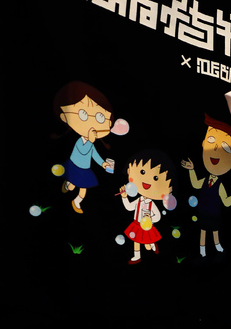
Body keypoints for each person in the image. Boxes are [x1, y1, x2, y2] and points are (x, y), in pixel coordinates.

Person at [54, 81, 126, 213]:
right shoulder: (79, 141)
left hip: (85, 169)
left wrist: (103, 164)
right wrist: (90, 141)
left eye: (100, 117)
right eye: (83, 114)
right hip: (74, 166)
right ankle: (68, 185)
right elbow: (83, 150)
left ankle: (77, 202)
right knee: (72, 185)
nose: (92, 124)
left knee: (83, 189)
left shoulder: (91, 144)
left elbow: (95, 155)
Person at [181, 115, 231, 256]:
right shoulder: (204, 180)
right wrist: (191, 170)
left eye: (226, 148)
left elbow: (225, 201)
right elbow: (195, 184)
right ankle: (202, 249)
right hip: (203, 210)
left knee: (215, 230)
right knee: (203, 230)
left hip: (214, 212)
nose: (215, 148)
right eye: (211, 140)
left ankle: (217, 245)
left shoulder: (219, 184)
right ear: (203, 143)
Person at [120, 149, 176, 264]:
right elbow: (129, 207)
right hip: (136, 224)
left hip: (147, 225)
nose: (146, 181)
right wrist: (124, 197)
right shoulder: (139, 200)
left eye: (156, 178)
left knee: (147, 242)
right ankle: (137, 256)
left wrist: (151, 218)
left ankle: (152, 244)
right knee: (136, 240)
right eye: (142, 172)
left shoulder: (151, 203)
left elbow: (158, 216)